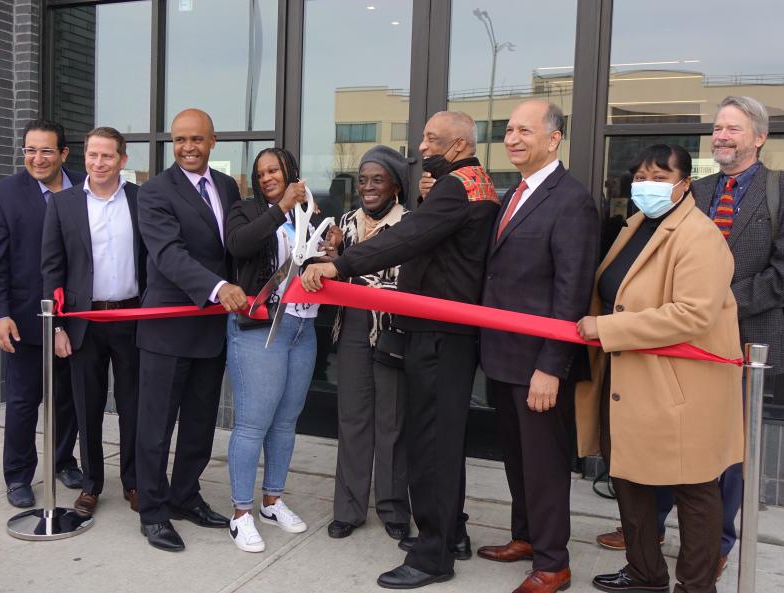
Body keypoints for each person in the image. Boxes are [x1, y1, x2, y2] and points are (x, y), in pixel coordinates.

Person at [302, 111, 500, 589]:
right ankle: (450, 532)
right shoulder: (479, 183)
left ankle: (433, 555)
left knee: (429, 445)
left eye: (432, 139)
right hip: (451, 332)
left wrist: (341, 266)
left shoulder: (454, 187)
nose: (421, 146)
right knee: (445, 443)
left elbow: (407, 238)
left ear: (457, 147)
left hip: (436, 333)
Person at [595, 96, 784, 580]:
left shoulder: (776, 193)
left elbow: (774, 276)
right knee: (653, 459)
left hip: (742, 344)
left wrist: (719, 300)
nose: (722, 135)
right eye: (718, 127)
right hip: (660, 352)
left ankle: (715, 552)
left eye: (734, 128)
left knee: (715, 462)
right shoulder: (692, 191)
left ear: (759, 137)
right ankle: (648, 549)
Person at [575, 143, 743, 593]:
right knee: (628, 478)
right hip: (628, 379)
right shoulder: (637, 225)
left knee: (694, 488)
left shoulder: (699, 235)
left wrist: (607, 327)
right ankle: (645, 572)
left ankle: (695, 584)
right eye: (642, 177)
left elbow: (692, 315)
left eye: (660, 178)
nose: (647, 186)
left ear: (685, 184)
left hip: (678, 387)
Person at [477, 100, 600, 593]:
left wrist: (552, 365)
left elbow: (571, 291)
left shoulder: (572, 201)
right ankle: (525, 538)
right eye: (508, 130)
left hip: (538, 364)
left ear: (554, 139)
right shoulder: (514, 194)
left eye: (524, 130)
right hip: (502, 356)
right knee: (516, 457)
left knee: (545, 465)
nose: (512, 138)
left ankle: (554, 562)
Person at [134, 108, 247, 552]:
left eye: (196, 139)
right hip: (168, 329)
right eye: (179, 140)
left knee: (200, 423)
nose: (187, 147)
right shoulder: (155, 191)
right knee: (156, 427)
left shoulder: (227, 186)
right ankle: (154, 511)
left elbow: (236, 247)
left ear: (213, 141)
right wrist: (220, 288)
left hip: (211, 328)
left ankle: (185, 496)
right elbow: (168, 255)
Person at [41, 126, 146, 517]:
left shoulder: (140, 199)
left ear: (122, 159)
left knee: (134, 406)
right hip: (84, 322)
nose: (98, 163)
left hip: (133, 318)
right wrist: (56, 327)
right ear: (82, 157)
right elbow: (51, 269)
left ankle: (134, 482)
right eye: (91, 155)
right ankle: (91, 484)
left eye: (106, 156)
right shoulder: (63, 204)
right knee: (87, 407)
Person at [0, 119, 82, 508]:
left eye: (46, 150)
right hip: (24, 320)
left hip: (76, 317)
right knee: (23, 402)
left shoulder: (84, 188)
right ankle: (18, 475)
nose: (37, 158)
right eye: (30, 150)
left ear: (64, 154)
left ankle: (62, 460)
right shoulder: (2, 195)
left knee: (68, 398)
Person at [222, 148, 318, 553]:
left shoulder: (308, 214)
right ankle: (241, 512)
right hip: (259, 328)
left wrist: (327, 245)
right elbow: (240, 246)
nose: (266, 178)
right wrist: (280, 207)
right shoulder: (244, 211)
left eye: (273, 170)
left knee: (285, 421)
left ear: (291, 172)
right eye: (260, 173)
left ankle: (272, 501)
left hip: (302, 326)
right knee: (251, 423)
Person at [325, 146, 411, 542]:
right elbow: (335, 273)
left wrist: (348, 272)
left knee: (391, 423)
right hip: (354, 329)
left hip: (393, 331)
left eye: (378, 179)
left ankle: (393, 508)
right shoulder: (345, 221)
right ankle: (349, 509)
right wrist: (333, 255)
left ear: (395, 184)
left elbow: (404, 284)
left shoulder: (411, 223)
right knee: (353, 419)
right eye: (363, 180)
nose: (368, 187)